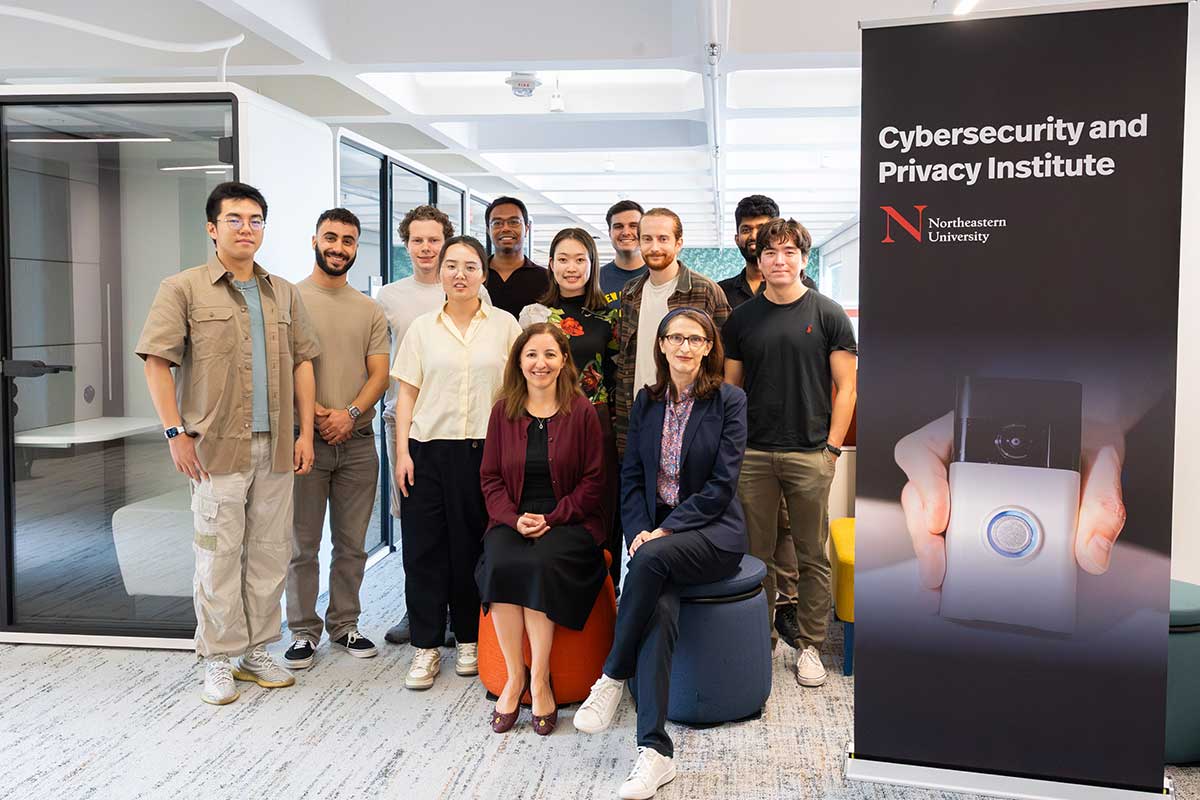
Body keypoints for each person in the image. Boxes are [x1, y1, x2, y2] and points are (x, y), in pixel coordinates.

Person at [136, 181, 319, 705]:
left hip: (277, 448)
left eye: (256, 219)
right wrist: (175, 432)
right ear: (212, 229)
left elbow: (303, 362)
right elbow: (157, 363)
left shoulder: (283, 291)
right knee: (218, 555)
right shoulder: (183, 288)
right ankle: (217, 656)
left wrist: (306, 432)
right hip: (216, 449)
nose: (246, 228)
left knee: (268, 554)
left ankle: (256, 649)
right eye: (235, 219)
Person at [574, 308, 748, 800]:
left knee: (649, 563)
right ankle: (654, 753)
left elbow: (721, 486)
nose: (686, 347)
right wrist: (637, 532)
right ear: (662, 345)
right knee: (659, 611)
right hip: (654, 541)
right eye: (676, 338)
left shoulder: (729, 401)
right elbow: (631, 477)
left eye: (696, 339)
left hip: (713, 534)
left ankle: (611, 676)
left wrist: (663, 531)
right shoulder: (646, 402)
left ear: (709, 346)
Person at [722, 218, 858, 688]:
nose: (779, 261)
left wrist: (832, 450)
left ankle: (811, 647)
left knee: (810, 556)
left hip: (810, 455)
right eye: (770, 253)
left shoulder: (827, 313)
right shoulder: (741, 319)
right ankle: (759, 641)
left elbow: (847, 388)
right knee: (756, 556)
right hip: (754, 456)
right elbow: (730, 390)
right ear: (758, 260)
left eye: (789, 252)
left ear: (803, 257)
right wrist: (731, 450)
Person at [391, 235, 522, 690]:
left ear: (483, 274)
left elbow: (518, 392)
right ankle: (426, 647)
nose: (460, 274)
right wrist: (402, 452)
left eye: (469, 266)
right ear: (441, 273)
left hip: (486, 452)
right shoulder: (422, 329)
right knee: (424, 548)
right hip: (427, 449)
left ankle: (469, 637)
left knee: (472, 547)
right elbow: (406, 392)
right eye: (452, 266)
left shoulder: (505, 326)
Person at [476, 323, 608, 735]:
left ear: (563, 360)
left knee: (541, 563)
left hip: (570, 521)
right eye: (532, 354)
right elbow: (491, 479)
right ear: (519, 361)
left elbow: (594, 482)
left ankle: (541, 678)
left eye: (550, 354)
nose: (541, 363)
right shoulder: (504, 411)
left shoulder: (582, 410)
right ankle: (517, 676)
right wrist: (514, 519)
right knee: (499, 560)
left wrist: (552, 518)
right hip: (512, 516)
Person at [376, 205, 490, 646]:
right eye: (417, 240)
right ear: (407, 245)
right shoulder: (390, 297)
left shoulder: (489, 311)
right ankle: (420, 612)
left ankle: (460, 623)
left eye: (434, 240)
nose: (426, 248)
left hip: (467, 429)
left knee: (465, 529)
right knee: (418, 525)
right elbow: (387, 369)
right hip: (410, 425)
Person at [283, 208, 391, 669]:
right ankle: (303, 631)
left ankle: (344, 624)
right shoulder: (287, 300)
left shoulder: (369, 309)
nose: (339, 247)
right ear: (314, 241)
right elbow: (283, 368)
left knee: (352, 543)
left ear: (355, 248)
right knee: (301, 545)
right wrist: (316, 418)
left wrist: (348, 414)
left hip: (358, 442)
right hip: (303, 440)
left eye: (348, 240)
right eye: (331, 237)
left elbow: (381, 374)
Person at [717, 194, 809, 648]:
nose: (757, 239)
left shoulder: (807, 294)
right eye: (747, 230)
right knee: (755, 527)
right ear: (738, 237)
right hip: (746, 434)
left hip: (797, 434)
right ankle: (758, 609)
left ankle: (788, 608)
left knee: (791, 527)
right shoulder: (723, 294)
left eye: (765, 230)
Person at [518, 229, 621, 585]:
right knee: (554, 502)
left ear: (593, 264)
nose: (571, 267)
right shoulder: (535, 315)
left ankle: (606, 593)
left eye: (580, 259)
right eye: (563, 259)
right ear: (550, 264)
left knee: (600, 506)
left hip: (598, 422)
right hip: (549, 422)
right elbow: (524, 373)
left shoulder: (610, 316)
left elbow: (615, 373)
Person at [613, 208, 731, 457]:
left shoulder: (705, 290)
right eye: (647, 239)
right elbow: (625, 360)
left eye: (663, 239)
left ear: (679, 243)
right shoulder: (631, 292)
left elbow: (724, 361)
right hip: (638, 412)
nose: (654, 246)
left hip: (688, 418)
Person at [718, 195, 814, 309]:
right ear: (737, 239)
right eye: (746, 230)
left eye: (761, 228)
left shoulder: (806, 286)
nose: (754, 236)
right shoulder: (721, 291)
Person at [484, 195, 549, 318]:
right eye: (497, 223)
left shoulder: (546, 279)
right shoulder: (475, 275)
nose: (505, 228)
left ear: (527, 228)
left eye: (514, 222)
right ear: (488, 230)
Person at [598, 200, 647, 310]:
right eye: (618, 226)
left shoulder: (659, 276)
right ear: (609, 232)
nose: (626, 232)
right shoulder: (595, 279)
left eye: (633, 226)